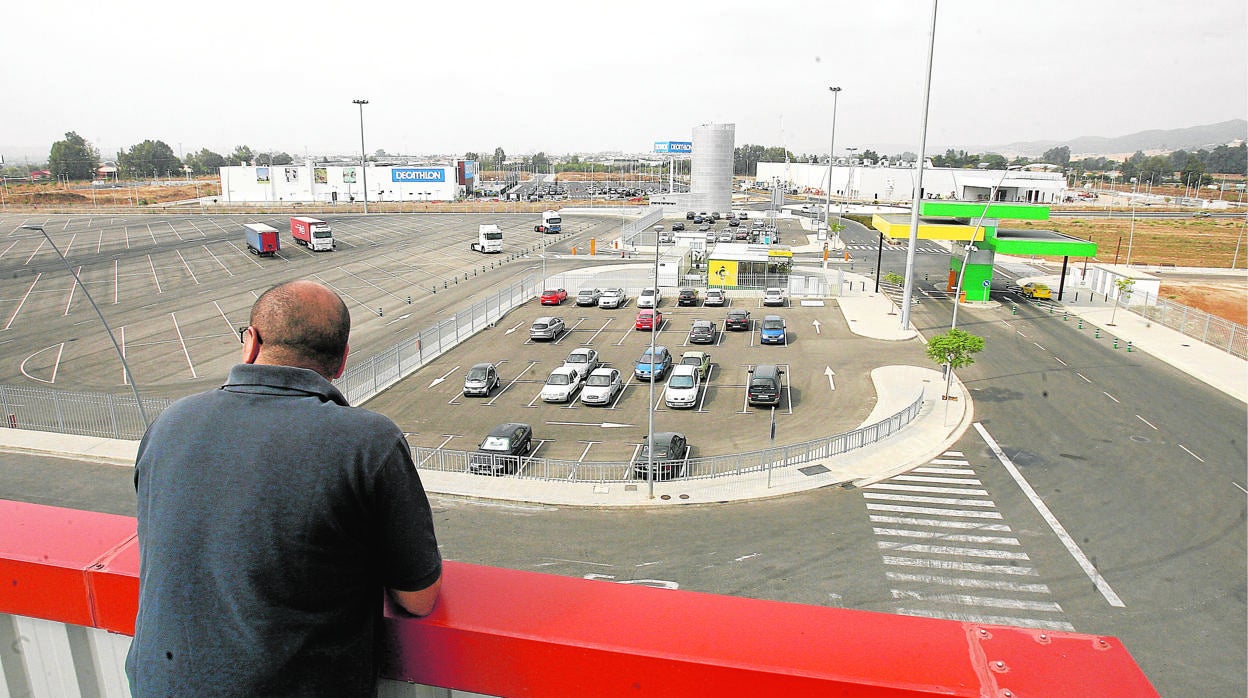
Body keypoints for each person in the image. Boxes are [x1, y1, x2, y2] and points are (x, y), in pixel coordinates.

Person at [127, 280, 442, 697]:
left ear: (251, 342)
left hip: (158, 685)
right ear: (342, 360)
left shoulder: (170, 422)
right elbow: (418, 598)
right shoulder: (368, 442)